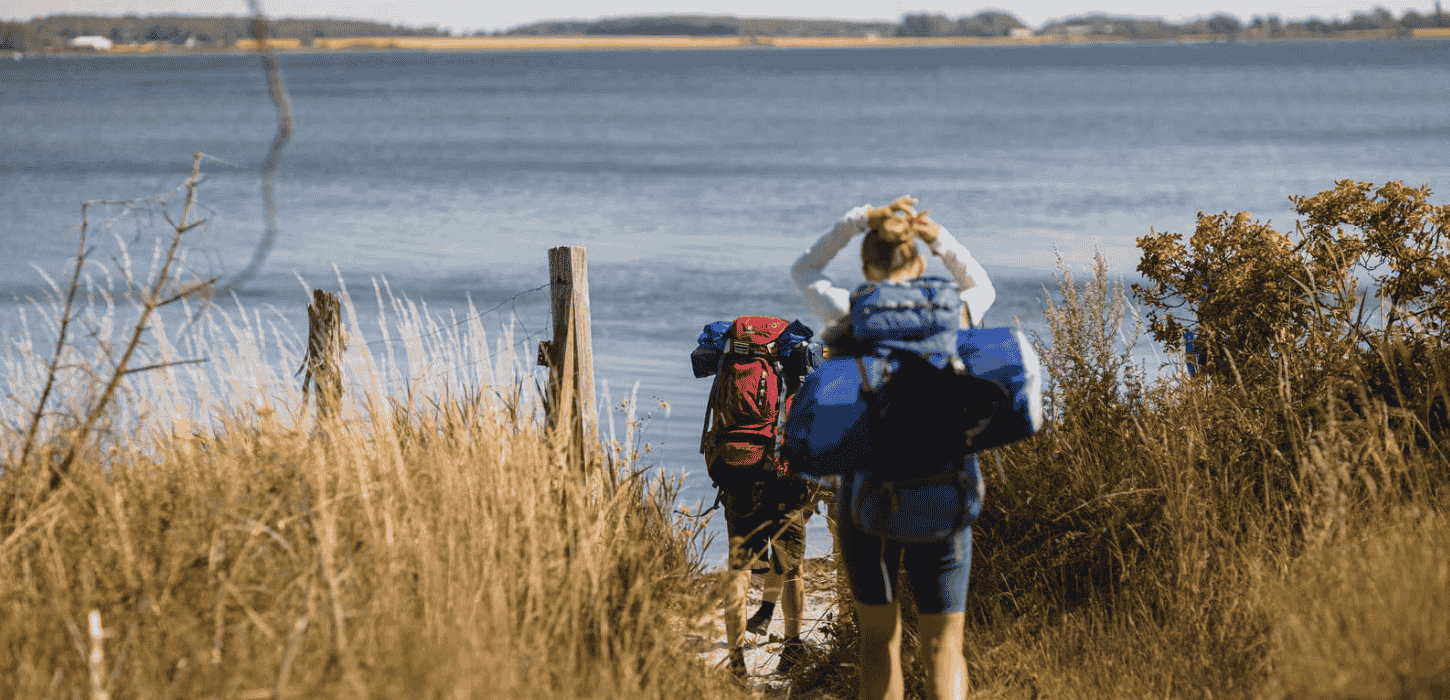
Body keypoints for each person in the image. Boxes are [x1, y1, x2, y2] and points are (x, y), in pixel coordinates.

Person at [790, 195, 994, 700]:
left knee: (879, 642)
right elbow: (981, 282)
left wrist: (859, 218)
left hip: (868, 502)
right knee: (946, 646)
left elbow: (806, 269)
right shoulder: (957, 311)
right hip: (948, 491)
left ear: (865, 263)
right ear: (919, 261)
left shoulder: (851, 311)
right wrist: (938, 236)